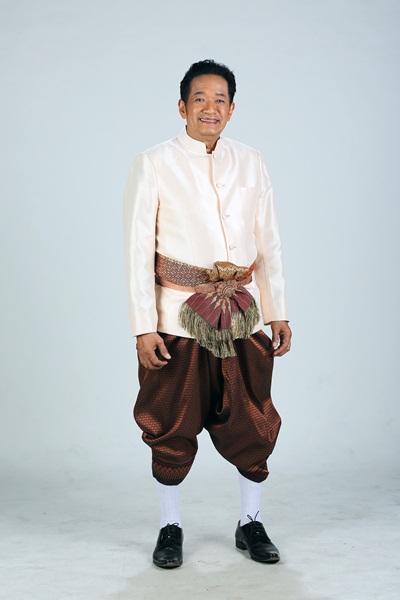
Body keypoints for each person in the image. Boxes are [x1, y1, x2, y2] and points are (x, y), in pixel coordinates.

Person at [123, 59, 292, 569]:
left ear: (232, 109)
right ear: (182, 106)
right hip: (177, 319)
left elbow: (268, 240)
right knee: (170, 421)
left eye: (220, 100)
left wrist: (278, 311)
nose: (210, 108)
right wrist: (143, 326)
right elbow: (137, 251)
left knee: (253, 416)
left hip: (244, 314)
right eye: (200, 98)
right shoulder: (154, 162)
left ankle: (250, 521)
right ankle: (169, 526)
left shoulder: (252, 161)